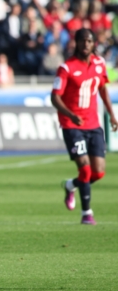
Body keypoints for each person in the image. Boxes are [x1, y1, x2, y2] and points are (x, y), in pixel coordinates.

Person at [51, 28, 118, 225]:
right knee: (86, 170)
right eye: (83, 41)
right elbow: (54, 97)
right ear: (76, 43)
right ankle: (86, 213)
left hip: (93, 124)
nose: (86, 44)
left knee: (98, 172)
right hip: (72, 125)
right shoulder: (66, 68)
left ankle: (71, 185)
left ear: (93, 43)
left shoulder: (99, 64)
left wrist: (111, 114)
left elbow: (103, 88)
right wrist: (71, 115)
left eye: (89, 41)